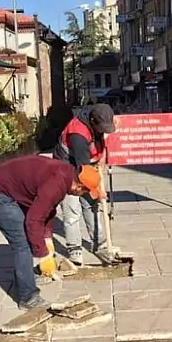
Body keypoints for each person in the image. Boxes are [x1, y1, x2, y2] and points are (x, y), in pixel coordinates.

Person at [0, 155, 101, 309]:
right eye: (85, 193)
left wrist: (47, 239)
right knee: (22, 242)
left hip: (9, 188)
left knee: (31, 236)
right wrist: (43, 255)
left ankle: (26, 277)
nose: (83, 195)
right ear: (79, 187)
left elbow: (47, 211)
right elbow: (33, 220)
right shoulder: (56, 184)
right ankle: (28, 298)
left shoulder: (66, 175)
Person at [53, 103, 116, 265]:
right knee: (72, 210)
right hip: (66, 167)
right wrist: (97, 191)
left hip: (85, 165)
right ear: (93, 121)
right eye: (101, 127)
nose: (103, 130)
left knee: (92, 205)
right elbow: (84, 172)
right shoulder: (78, 134)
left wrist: (100, 167)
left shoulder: (98, 123)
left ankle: (99, 242)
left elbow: (100, 152)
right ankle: (75, 249)